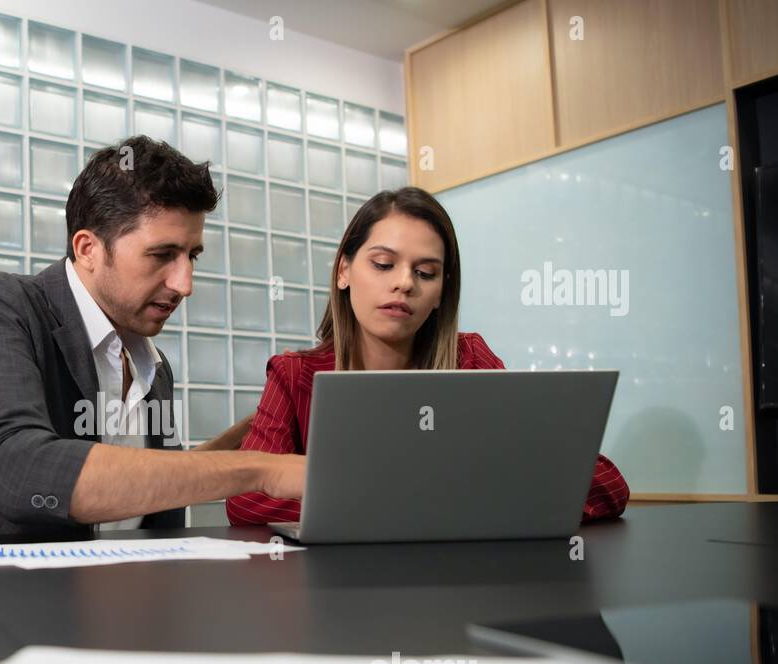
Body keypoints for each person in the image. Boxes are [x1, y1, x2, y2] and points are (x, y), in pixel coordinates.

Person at [0, 136, 302, 539]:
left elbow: (150, 482)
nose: (185, 284)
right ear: (88, 248)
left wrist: (262, 426)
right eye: (162, 254)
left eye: (191, 256)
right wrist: (262, 471)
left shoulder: (153, 368)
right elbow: (19, 469)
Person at [227, 186, 629, 526]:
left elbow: (603, 483)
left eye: (425, 273)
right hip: (336, 595)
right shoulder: (294, 374)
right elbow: (245, 499)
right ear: (343, 272)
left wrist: (371, 501)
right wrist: (438, 497)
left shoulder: (469, 359)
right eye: (384, 264)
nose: (404, 284)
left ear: (441, 294)